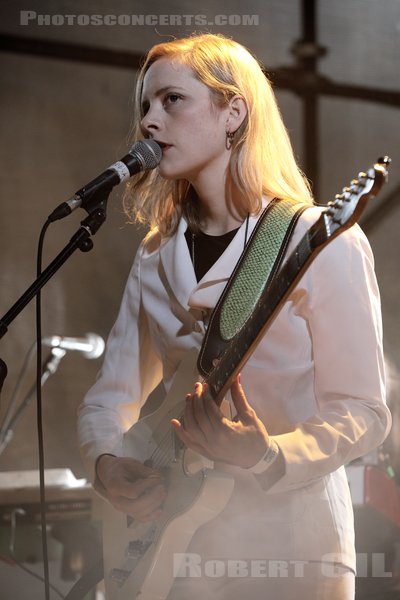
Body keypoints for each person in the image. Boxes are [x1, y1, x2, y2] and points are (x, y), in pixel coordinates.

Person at [77, 33, 391, 599]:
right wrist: (106, 465)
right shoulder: (154, 253)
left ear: (234, 112)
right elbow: (111, 395)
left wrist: (269, 454)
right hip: (174, 551)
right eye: (145, 106)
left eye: (172, 100)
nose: (149, 120)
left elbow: (363, 411)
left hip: (289, 547)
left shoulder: (318, 241)